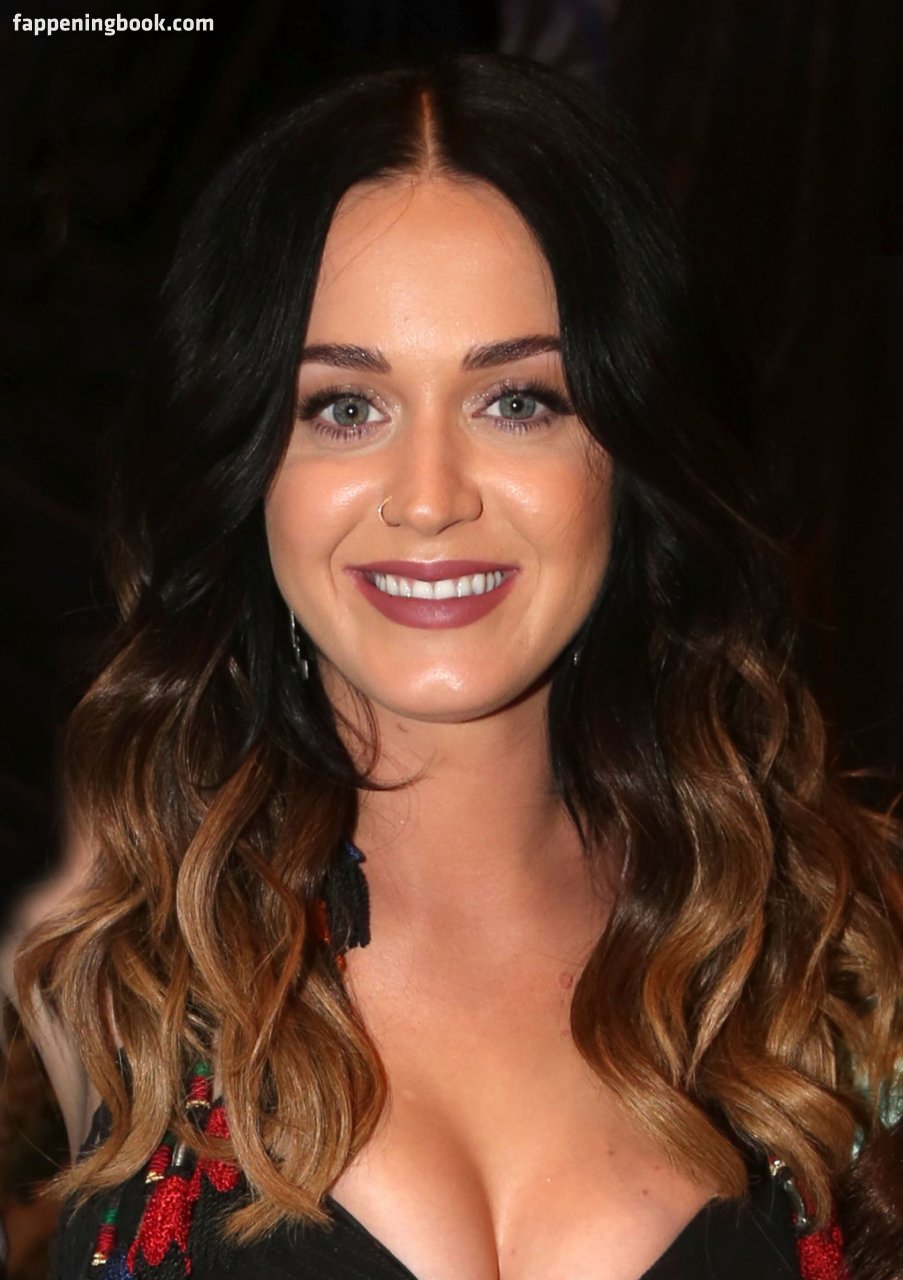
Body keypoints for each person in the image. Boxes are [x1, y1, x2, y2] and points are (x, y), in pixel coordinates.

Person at [3, 53, 902, 1280]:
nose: (429, 498)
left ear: (631, 451)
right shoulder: (107, 982)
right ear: (248, 465)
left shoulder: (836, 957)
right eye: (346, 407)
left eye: (517, 401)